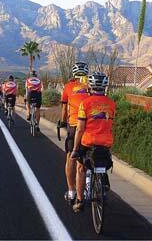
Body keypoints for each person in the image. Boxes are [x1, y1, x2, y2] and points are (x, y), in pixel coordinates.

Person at [70, 72, 116, 212]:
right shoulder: (111, 104)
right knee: (102, 158)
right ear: (104, 87)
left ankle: (79, 200)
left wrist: (75, 149)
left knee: (81, 168)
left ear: (90, 87)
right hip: (106, 142)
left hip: (89, 142)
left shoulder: (85, 103)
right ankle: (103, 181)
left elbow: (80, 129)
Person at [59, 62, 89, 204]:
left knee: (71, 157)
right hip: (91, 126)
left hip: (74, 124)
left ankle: (71, 192)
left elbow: (64, 109)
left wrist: (62, 121)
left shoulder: (68, 86)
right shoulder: (91, 86)